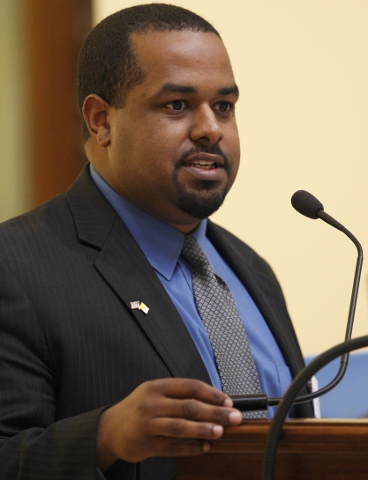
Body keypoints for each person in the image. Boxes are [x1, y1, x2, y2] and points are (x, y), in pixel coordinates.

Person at [0, 4, 313, 480]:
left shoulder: (251, 270)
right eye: (177, 105)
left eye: (224, 106)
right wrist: (105, 436)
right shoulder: (17, 266)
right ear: (100, 120)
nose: (210, 128)